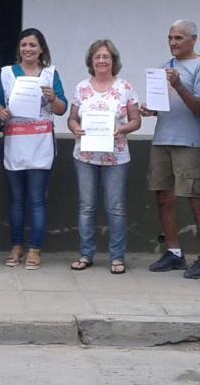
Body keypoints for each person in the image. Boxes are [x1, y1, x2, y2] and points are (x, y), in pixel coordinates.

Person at [142, 20, 200, 279]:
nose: (173, 42)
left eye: (178, 38)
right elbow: (165, 105)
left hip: (190, 142)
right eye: (170, 38)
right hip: (163, 139)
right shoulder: (165, 67)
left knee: (195, 198)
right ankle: (174, 252)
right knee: (164, 197)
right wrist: (150, 109)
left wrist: (178, 85)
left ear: (193, 39)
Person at [0, 28, 67, 270]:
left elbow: (62, 109)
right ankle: (17, 246)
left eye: (33, 45)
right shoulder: (7, 73)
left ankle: (35, 249)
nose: (28, 49)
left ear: (41, 49)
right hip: (15, 142)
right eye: (24, 44)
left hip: (40, 143)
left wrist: (53, 98)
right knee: (16, 200)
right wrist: (0, 111)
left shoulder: (50, 74)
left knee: (36, 199)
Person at [67, 40, 141, 274]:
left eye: (106, 57)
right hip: (85, 156)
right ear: (91, 61)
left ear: (113, 60)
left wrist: (123, 129)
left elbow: (136, 120)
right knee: (86, 207)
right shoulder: (81, 88)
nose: (101, 61)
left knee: (116, 208)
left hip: (116, 157)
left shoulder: (125, 87)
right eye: (97, 57)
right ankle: (86, 254)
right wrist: (74, 127)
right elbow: (72, 118)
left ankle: (117, 257)